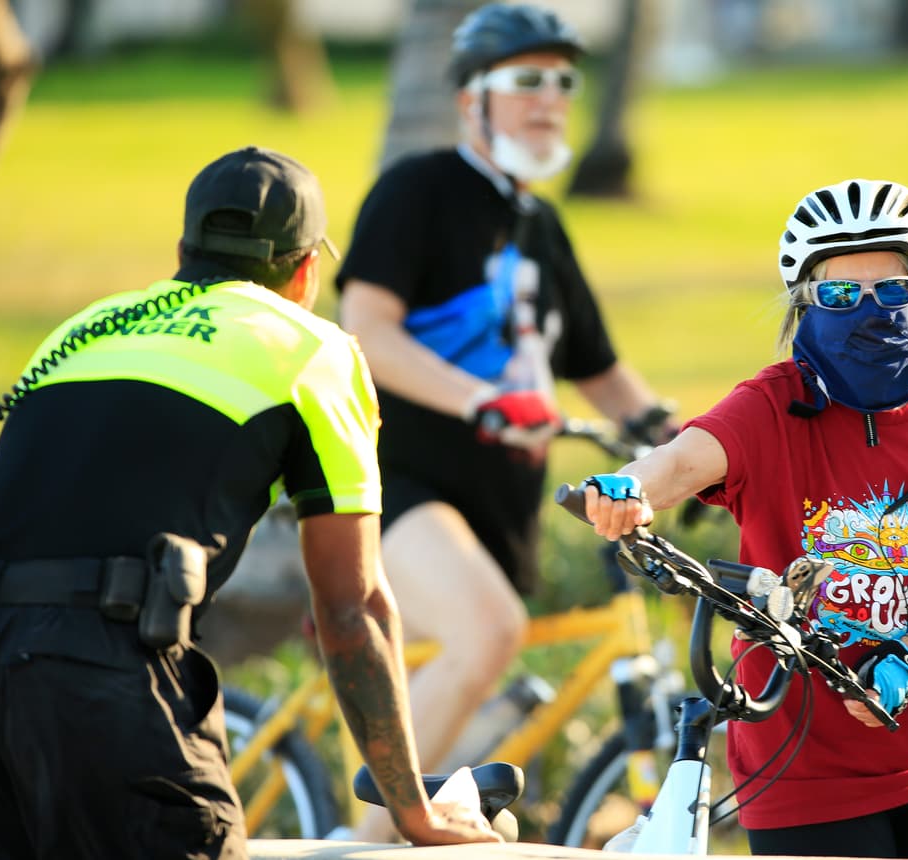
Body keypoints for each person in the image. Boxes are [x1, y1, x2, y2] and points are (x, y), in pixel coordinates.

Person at [0, 146, 500, 858]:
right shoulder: (313, 349)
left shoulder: (82, 327)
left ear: (183, 249)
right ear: (306, 271)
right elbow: (351, 606)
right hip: (98, 667)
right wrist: (412, 810)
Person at [576, 178, 908, 859]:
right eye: (838, 295)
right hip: (803, 775)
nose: (869, 311)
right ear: (804, 302)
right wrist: (628, 485)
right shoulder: (771, 408)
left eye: (893, 290)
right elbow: (679, 462)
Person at [335, 2, 676, 842]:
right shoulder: (416, 191)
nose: (549, 99)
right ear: (469, 101)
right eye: (524, 81)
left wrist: (684, 445)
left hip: (498, 509)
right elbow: (365, 330)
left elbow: (596, 369)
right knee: (489, 630)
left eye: (562, 82)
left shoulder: (542, 223)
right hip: (396, 485)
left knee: (487, 691)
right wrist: (480, 399)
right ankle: (358, 843)